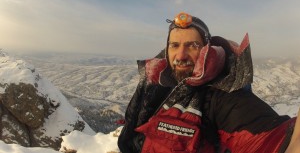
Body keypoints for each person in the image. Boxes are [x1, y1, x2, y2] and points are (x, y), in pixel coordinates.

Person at [118, 12, 298, 153]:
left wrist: (292, 142)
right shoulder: (157, 84)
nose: (180, 56)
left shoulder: (220, 96)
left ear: (206, 50)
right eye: (174, 45)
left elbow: (266, 139)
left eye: (192, 45)